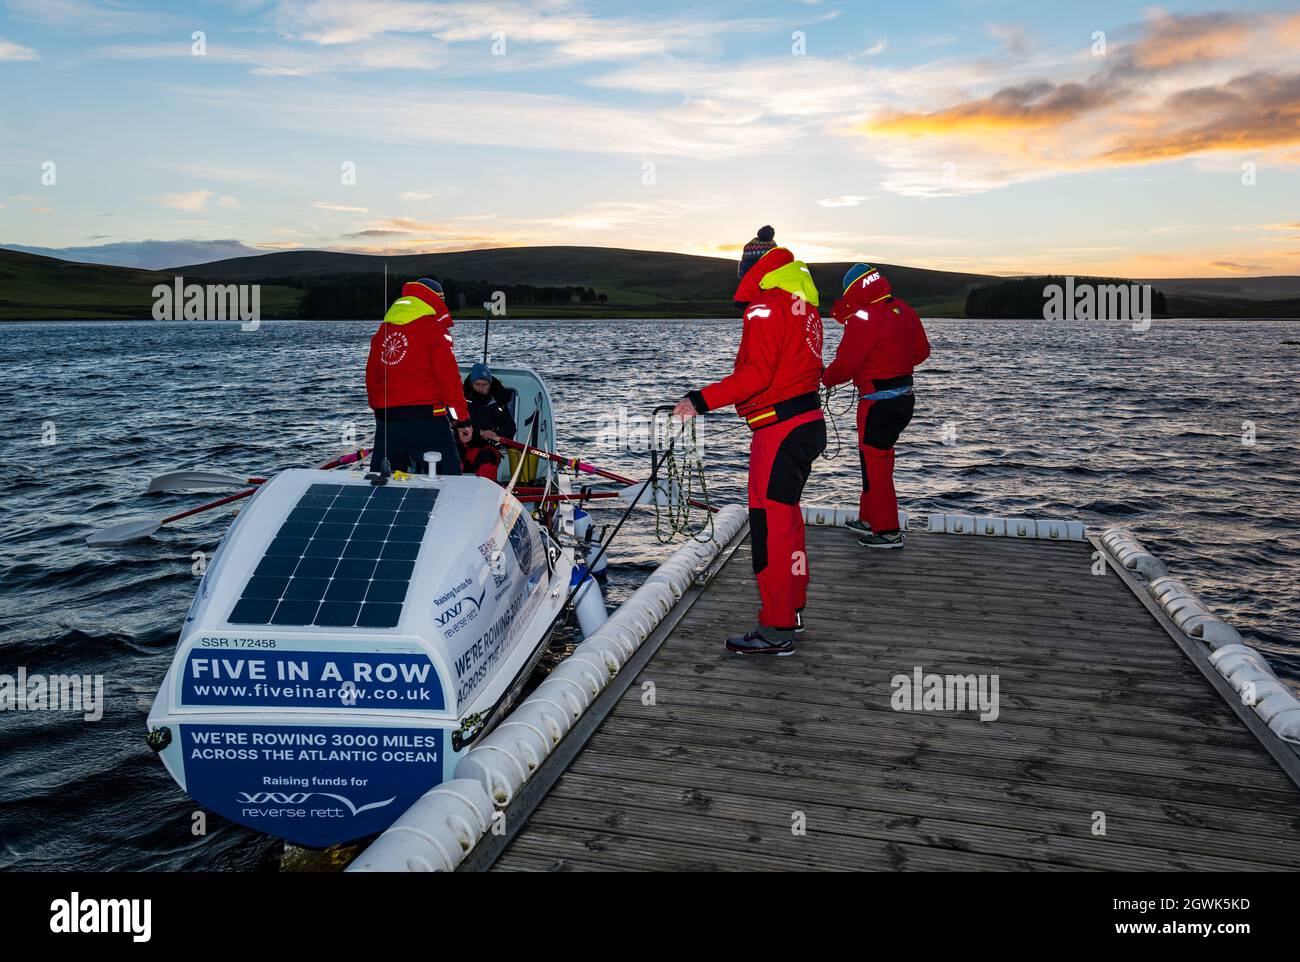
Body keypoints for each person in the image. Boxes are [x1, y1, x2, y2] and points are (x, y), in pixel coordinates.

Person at [673, 231, 825, 656]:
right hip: (807, 422)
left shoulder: (764, 306)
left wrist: (697, 400)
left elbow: (756, 376)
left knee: (769, 529)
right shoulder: (804, 306)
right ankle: (791, 609)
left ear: (750, 269)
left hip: (779, 431)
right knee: (789, 522)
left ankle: (776, 628)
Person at [821, 264, 931, 548]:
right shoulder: (904, 309)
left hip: (877, 403)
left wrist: (825, 378)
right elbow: (922, 351)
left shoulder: (864, 316)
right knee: (875, 460)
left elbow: (846, 364)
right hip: (904, 399)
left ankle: (888, 531)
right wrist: (893, 365)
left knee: (876, 464)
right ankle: (870, 519)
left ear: (853, 288)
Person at [365, 277, 465, 476]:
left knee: (383, 482)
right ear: (435, 300)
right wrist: (462, 419)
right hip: (427, 420)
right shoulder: (433, 329)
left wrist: (380, 409)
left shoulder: (383, 330)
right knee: (450, 481)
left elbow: (372, 377)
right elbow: (448, 378)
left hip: (387, 421)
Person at [462, 362, 516, 443]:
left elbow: (510, 428)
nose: (481, 388)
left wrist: (495, 433)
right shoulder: (461, 400)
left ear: (490, 385)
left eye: (485, 385)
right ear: (471, 385)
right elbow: (453, 425)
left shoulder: (499, 402)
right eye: (477, 384)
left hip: (489, 445)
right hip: (463, 444)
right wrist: (477, 433)